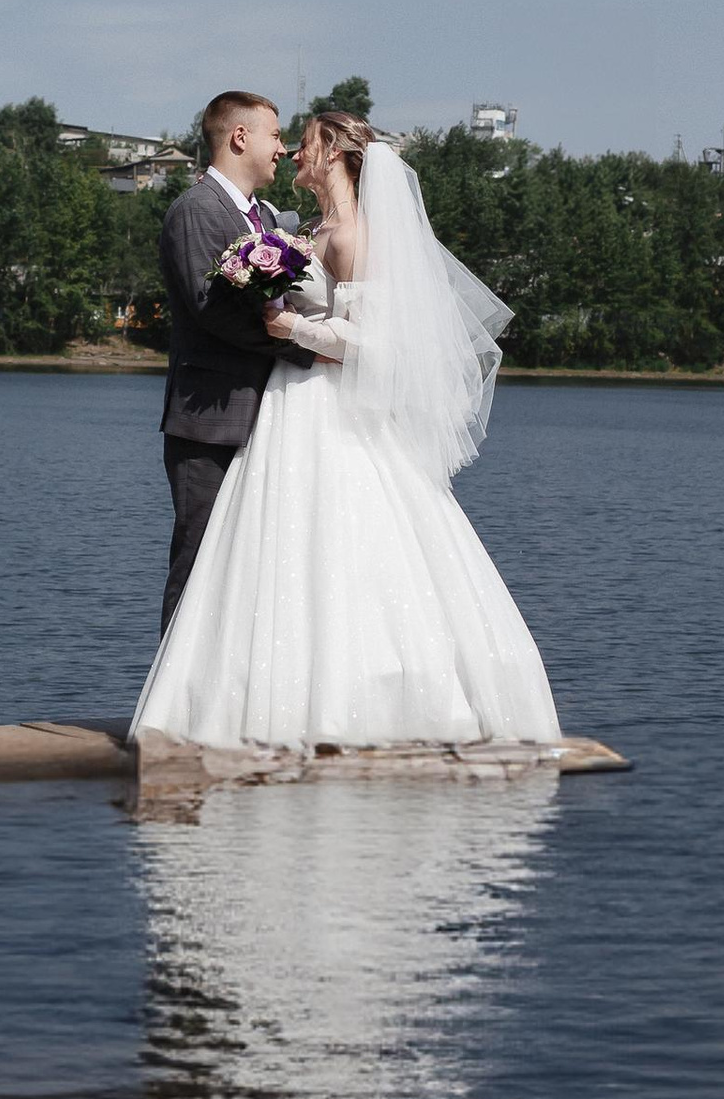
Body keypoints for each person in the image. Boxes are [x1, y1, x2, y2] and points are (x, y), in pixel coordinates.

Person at [133, 108, 562, 754]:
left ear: (333, 151)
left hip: (324, 403)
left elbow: (375, 343)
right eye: (284, 139)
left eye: (304, 142)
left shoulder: (356, 235)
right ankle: (254, 698)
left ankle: (347, 701)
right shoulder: (301, 229)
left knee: (344, 555)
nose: (292, 152)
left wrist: (293, 329)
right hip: (288, 405)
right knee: (277, 557)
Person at [155, 89, 307, 631]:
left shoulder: (263, 217)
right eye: (276, 136)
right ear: (240, 137)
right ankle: (171, 683)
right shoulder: (197, 209)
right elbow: (211, 310)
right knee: (200, 559)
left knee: (248, 566)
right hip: (209, 418)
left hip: (266, 415)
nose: (283, 149)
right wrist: (303, 346)